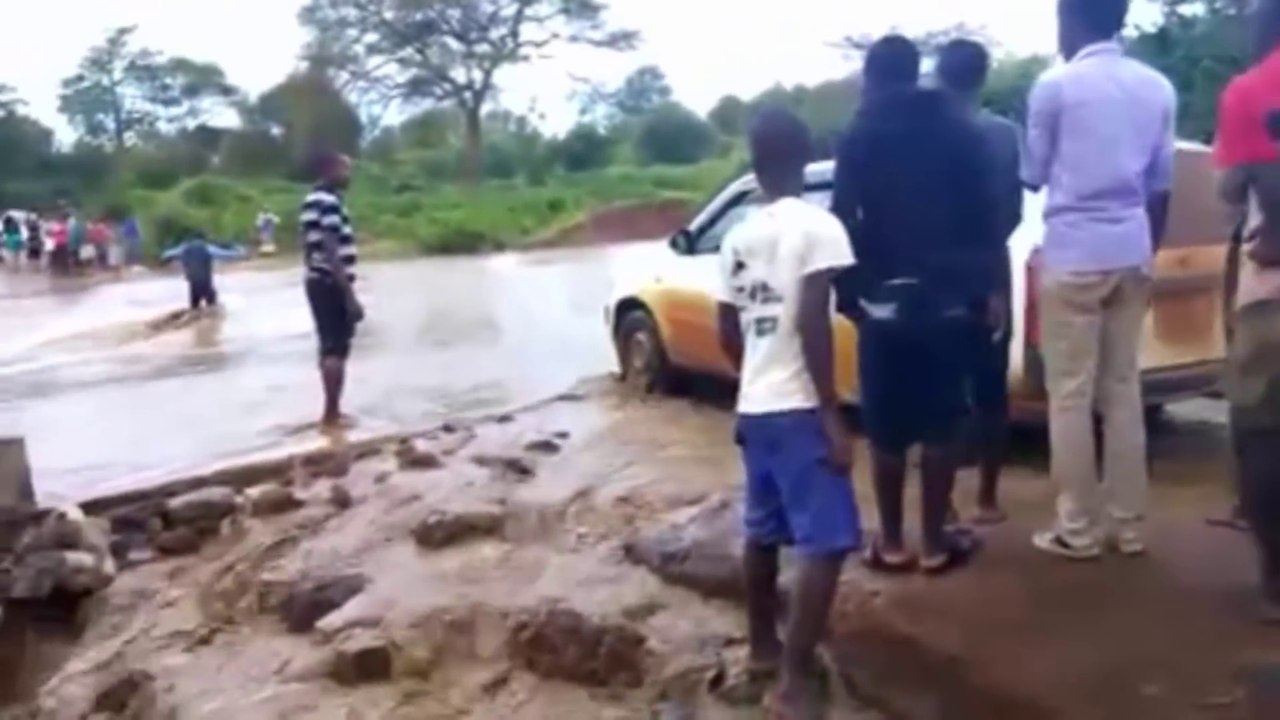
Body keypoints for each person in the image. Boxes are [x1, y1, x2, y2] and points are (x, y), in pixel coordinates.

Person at [831, 35, 1000, 574]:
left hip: (882, 301)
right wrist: (989, 290)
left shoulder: (858, 133)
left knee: (885, 426)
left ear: (872, 78)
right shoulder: (960, 128)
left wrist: (848, 295)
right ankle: (933, 544)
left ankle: (890, 541)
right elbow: (987, 216)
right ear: (916, 71)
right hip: (949, 300)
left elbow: (842, 217)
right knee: (941, 423)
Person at [716, 106, 860, 718]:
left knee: (763, 532)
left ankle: (762, 649)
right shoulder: (819, 227)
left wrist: (751, 382)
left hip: (757, 407)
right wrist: (830, 413)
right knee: (827, 543)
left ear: (755, 165)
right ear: (806, 157)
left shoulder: (736, 237)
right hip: (800, 406)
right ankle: (793, 684)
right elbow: (811, 320)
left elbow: (728, 329)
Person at [1022, 0, 1177, 560]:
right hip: (1132, 247)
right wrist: (1146, 252)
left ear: (1070, 20)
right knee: (1123, 390)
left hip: (1074, 251)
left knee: (1070, 395)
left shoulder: (1055, 87)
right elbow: (1161, 185)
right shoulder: (1158, 87)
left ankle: (1078, 529)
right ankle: (1128, 527)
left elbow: (1032, 173)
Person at [937, 39, 1025, 525]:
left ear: (940, 76)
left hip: (936, 274)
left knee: (941, 391)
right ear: (983, 78)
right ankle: (987, 499)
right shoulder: (1004, 134)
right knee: (991, 390)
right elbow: (1012, 209)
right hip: (991, 268)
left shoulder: (926, 133)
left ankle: (943, 502)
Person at [1214, 0, 1280, 621]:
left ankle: (1277, 582)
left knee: (1261, 434)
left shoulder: (1250, 89)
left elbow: (1231, 190)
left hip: (1271, 296)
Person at [302, 152, 363, 428]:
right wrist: (349, 295)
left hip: (318, 279)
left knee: (329, 347)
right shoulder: (328, 202)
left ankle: (332, 411)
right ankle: (332, 414)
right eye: (345, 170)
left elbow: (308, 247)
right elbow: (330, 247)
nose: (349, 176)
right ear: (331, 171)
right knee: (335, 348)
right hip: (331, 282)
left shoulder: (311, 200)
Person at [161, 233, 246, 310]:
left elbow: (167, 255)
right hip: (205, 282)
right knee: (212, 305)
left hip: (193, 282)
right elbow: (228, 255)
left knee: (194, 307)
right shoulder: (207, 248)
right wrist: (239, 250)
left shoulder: (184, 249)